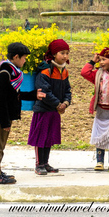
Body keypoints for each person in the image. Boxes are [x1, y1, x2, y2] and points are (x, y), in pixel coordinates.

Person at [0, 42, 45, 184]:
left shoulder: (12, 72)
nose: (25, 60)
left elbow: (15, 95)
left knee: (1, 145)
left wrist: (33, 95)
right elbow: (0, 100)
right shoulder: (5, 73)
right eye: (24, 58)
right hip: (2, 115)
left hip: (6, 114)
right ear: (16, 57)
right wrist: (5, 121)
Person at [27, 39, 72, 176]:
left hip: (54, 110)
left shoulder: (63, 71)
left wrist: (66, 102)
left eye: (67, 53)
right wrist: (58, 104)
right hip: (44, 109)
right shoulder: (45, 71)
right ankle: (38, 164)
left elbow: (68, 90)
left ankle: (45, 163)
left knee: (49, 137)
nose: (65, 56)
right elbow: (44, 92)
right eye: (62, 53)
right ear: (53, 54)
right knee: (41, 137)